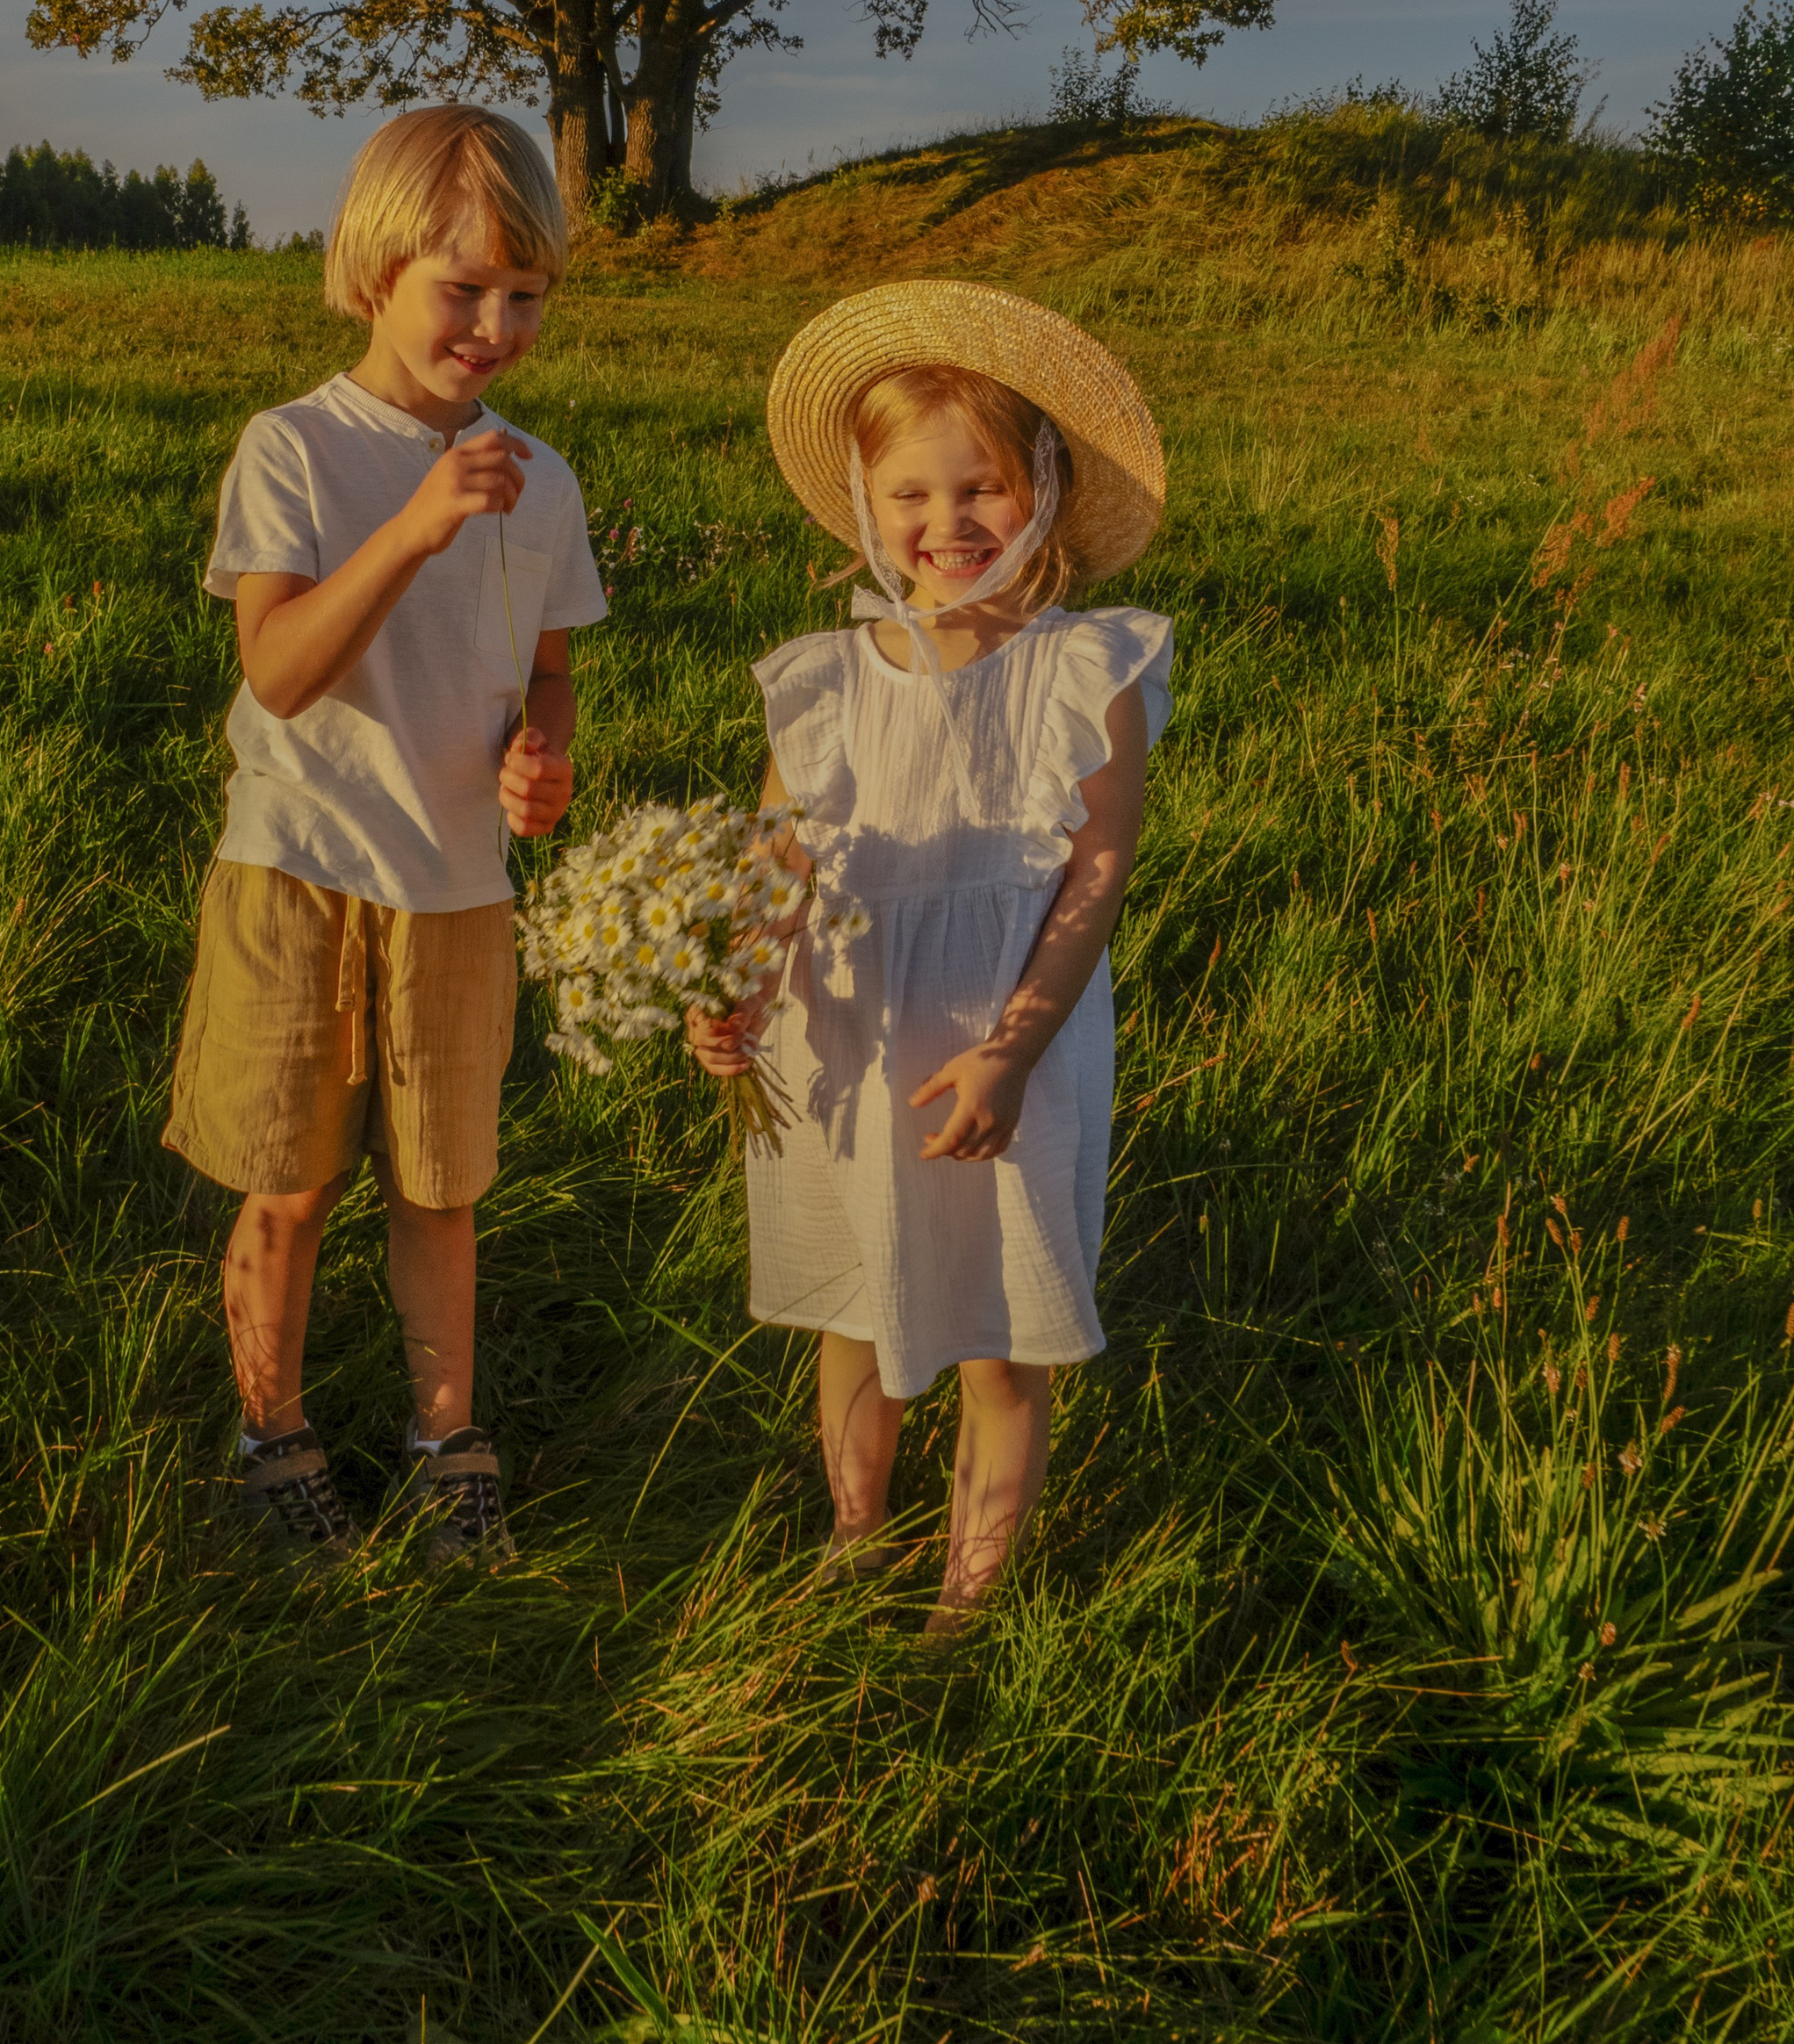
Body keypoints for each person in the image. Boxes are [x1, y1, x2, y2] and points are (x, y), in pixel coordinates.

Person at [687, 280, 1171, 1631]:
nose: (947, 525)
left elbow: (1100, 867)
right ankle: (856, 1537)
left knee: (1005, 1326)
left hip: (1009, 1036)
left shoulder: (1089, 671)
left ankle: (971, 1598)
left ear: (1048, 490)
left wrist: (1015, 1047)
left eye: (983, 489)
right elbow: (782, 865)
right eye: (911, 494)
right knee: (860, 1297)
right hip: (851, 1035)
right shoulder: (829, 681)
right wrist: (733, 984)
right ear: (863, 501)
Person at [164, 104, 607, 1571]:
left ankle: (445, 1438)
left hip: (457, 884)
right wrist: (414, 527)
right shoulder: (293, 448)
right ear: (373, 270)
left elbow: (541, 658)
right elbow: (279, 669)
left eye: (525, 295)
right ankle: (271, 1434)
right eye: (461, 288)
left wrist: (542, 751)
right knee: (289, 1180)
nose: (494, 324)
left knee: (443, 1182)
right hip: (300, 867)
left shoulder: (541, 477)